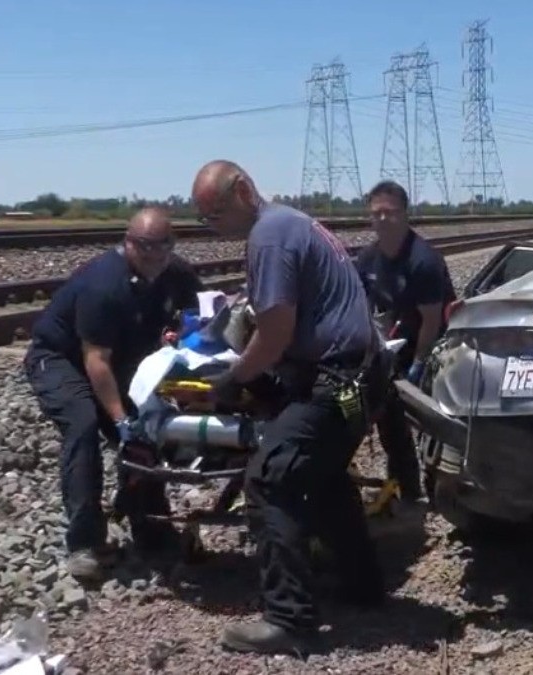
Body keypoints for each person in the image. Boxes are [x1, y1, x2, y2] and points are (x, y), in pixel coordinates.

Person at [190, 160, 387, 655]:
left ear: (242, 190)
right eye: (205, 218)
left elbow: (275, 335)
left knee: (269, 478)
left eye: (216, 213)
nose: (213, 225)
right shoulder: (291, 223)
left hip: (336, 379)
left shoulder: (270, 235)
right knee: (323, 474)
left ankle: (289, 618)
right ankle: (363, 585)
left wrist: (234, 379)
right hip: (359, 378)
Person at [24, 207, 203, 582]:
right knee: (84, 425)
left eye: (164, 244)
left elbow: (200, 316)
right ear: (128, 242)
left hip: (118, 358)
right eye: (145, 245)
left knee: (147, 425)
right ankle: (85, 542)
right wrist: (119, 420)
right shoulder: (103, 286)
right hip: (62, 359)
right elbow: (96, 361)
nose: (155, 253)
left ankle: (152, 530)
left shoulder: (177, 274)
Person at [354, 180, 457, 504]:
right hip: (393, 343)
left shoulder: (422, 261)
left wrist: (418, 365)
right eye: (377, 214)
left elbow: (432, 320)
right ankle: (406, 486)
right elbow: (362, 305)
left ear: (405, 214)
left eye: (390, 212)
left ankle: (442, 483)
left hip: (432, 344)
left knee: (432, 421)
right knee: (390, 417)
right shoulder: (368, 259)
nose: (383, 219)